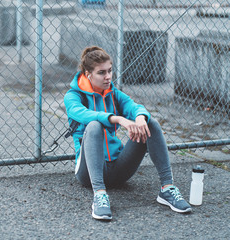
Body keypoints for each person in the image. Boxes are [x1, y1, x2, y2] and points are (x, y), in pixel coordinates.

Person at [64, 46, 192, 220]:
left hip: (119, 168)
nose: (108, 76)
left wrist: (139, 117)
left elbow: (134, 106)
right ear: (88, 75)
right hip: (89, 173)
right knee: (94, 125)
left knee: (150, 122)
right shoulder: (73, 96)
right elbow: (83, 114)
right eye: (101, 73)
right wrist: (117, 119)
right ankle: (100, 196)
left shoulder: (113, 93)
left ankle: (167, 189)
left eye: (109, 71)